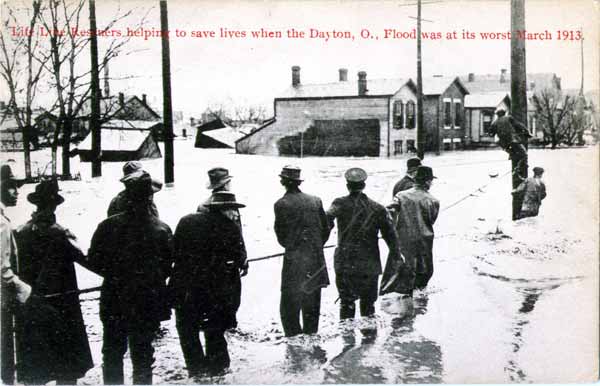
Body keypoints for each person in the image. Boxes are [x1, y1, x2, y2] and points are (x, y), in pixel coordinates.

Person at [88, 171, 173, 385]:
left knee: (113, 354)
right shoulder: (162, 229)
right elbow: (168, 266)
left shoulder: (107, 226)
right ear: (149, 198)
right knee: (143, 355)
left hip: (114, 298)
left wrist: (116, 275)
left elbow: (94, 262)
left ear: (127, 196)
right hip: (147, 300)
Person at [13, 179, 94, 384]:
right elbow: (88, 261)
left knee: (34, 368)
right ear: (55, 206)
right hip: (63, 307)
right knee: (67, 370)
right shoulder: (61, 234)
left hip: (31, 304)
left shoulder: (20, 233)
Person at [170, 191, 248, 377]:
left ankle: (196, 372)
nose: (236, 214)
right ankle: (218, 372)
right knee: (215, 332)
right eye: (234, 209)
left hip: (185, 288)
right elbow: (238, 258)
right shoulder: (230, 228)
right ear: (225, 210)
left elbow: (173, 251)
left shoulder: (186, 221)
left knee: (187, 331)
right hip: (216, 291)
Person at [326, 167, 399, 319]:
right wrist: (396, 254)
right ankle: (369, 339)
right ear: (364, 185)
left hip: (346, 263)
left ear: (348, 186)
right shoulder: (378, 208)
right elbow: (390, 235)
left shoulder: (339, 203)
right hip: (369, 264)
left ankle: (348, 341)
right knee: (368, 307)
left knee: (346, 304)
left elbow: (326, 219)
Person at [274, 166, 331, 337]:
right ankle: (311, 339)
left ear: (283, 182)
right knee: (312, 302)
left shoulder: (281, 204)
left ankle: (293, 343)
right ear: (298, 182)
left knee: (289, 306)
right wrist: (315, 246)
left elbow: (281, 236)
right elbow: (326, 229)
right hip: (315, 259)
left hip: (294, 260)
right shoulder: (316, 200)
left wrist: (294, 246)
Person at [0, 165, 32, 385]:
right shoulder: (2, 223)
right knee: (5, 350)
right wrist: (25, 291)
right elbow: (4, 269)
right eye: (11, 187)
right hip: (3, 299)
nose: (17, 192)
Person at [388, 166, 440, 295]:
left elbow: (390, 213)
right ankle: (419, 304)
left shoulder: (400, 195)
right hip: (424, 240)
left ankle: (404, 301)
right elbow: (432, 220)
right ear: (427, 181)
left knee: (406, 270)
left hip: (404, 238)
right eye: (431, 181)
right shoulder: (434, 201)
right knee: (424, 273)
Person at [196, 167, 248, 276]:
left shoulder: (202, 206)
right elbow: (238, 234)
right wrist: (243, 259)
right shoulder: (231, 204)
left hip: (208, 262)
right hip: (228, 262)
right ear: (226, 184)